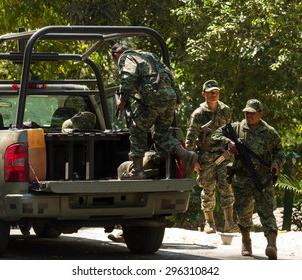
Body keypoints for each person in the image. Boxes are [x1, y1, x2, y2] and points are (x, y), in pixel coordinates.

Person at [212, 99, 286, 260]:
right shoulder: (237, 128)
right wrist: (228, 143)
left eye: (252, 113)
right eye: (247, 112)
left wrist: (276, 163)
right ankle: (246, 241)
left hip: (262, 179)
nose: (249, 115)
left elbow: (280, 151)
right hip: (242, 178)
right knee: (243, 212)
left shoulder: (269, 132)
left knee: (266, 211)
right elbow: (215, 134)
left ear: (261, 113)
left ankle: (271, 245)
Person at [111, 43, 197, 179]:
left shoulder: (127, 57)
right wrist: (176, 98)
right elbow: (168, 75)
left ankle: (138, 171)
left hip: (154, 97)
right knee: (161, 134)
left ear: (116, 54)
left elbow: (128, 75)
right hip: (170, 97)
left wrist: (122, 99)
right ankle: (185, 155)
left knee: (137, 129)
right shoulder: (149, 55)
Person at [185, 80, 238, 234]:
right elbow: (190, 139)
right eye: (210, 92)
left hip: (224, 155)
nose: (214, 94)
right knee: (208, 189)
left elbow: (231, 131)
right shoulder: (198, 114)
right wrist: (192, 161)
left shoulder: (225, 110)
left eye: (216, 91)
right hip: (206, 157)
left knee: (226, 186)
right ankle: (209, 223)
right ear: (204, 94)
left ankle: (229, 223)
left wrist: (232, 147)